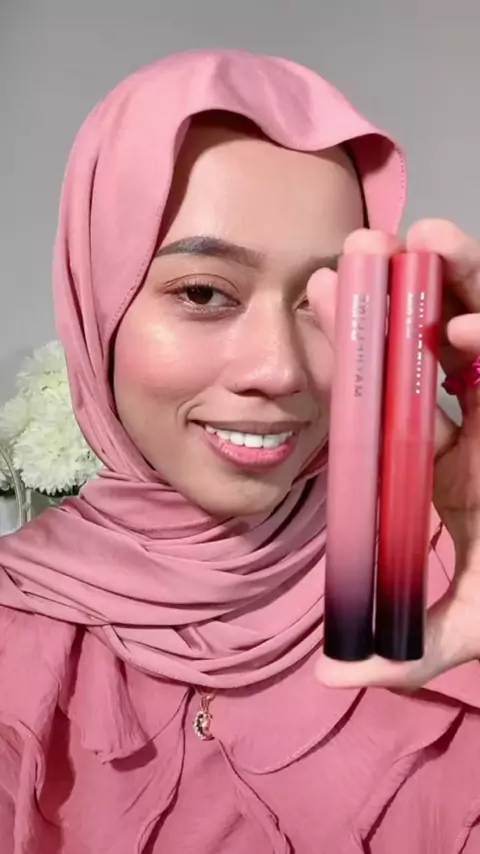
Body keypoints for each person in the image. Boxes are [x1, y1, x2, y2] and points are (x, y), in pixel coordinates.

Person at [1, 48, 480, 854]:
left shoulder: (442, 587)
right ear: (96, 305)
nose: (280, 369)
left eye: (336, 304)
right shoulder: (16, 627)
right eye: (202, 292)